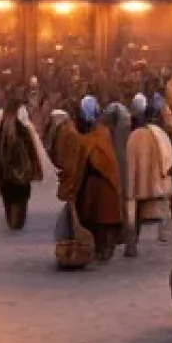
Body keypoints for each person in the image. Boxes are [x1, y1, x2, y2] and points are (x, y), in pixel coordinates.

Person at [50, 102, 123, 262]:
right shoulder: (103, 134)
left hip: (96, 191)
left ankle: (101, 249)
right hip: (107, 189)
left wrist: (69, 190)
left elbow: (79, 167)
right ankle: (103, 249)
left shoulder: (89, 140)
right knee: (103, 225)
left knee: (98, 223)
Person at [0, 96, 44, 230]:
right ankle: (17, 221)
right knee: (21, 198)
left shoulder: (0, 131)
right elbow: (31, 152)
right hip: (21, 174)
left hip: (5, 174)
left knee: (8, 196)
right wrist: (35, 171)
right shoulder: (23, 130)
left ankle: (11, 219)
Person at [126, 102, 172, 246]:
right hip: (155, 181)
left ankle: (132, 241)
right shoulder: (161, 135)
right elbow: (169, 159)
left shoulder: (133, 136)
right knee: (162, 213)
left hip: (136, 183)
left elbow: (129, 163)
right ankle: (162, 235)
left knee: (134, 211)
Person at [102, 101, 134, 256]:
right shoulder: (127, 133)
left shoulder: (112, 135)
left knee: (115, 209)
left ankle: (114, 244)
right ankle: (129, 244)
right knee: (126, 210)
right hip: (125, 173)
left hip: (116, 173)